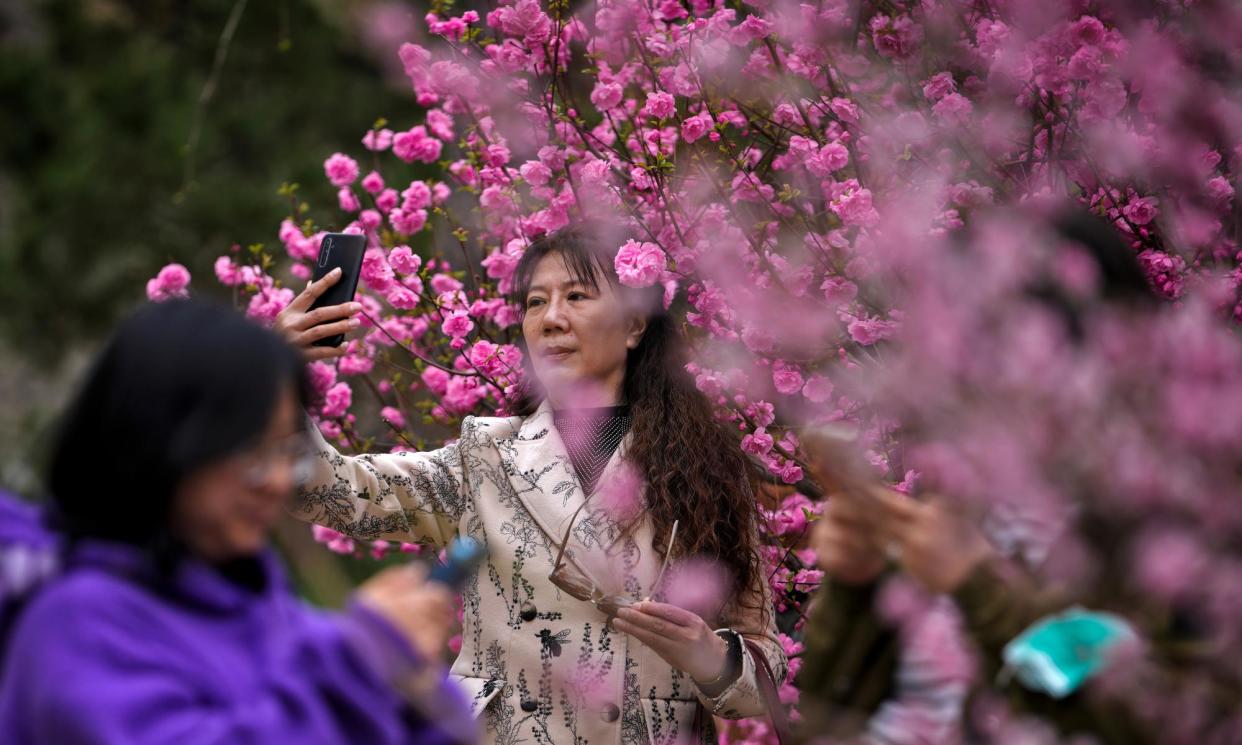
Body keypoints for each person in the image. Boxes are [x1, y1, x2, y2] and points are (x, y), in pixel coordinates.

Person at [279, 223, 787, 745]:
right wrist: (277, 381)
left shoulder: (706, 468)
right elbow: (329, 491)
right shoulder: (486, 455)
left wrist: (708, 656)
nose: (551, 319)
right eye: (535, 302)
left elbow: (763, 669)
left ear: (634, 325)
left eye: (577, 297)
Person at [0, 299, 474, 745]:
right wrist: (359, 669)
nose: (276, 481)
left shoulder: (264, 608)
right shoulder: (79, 625)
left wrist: (413, 694)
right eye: (251, 450)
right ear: (160, 440)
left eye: (288, 451)